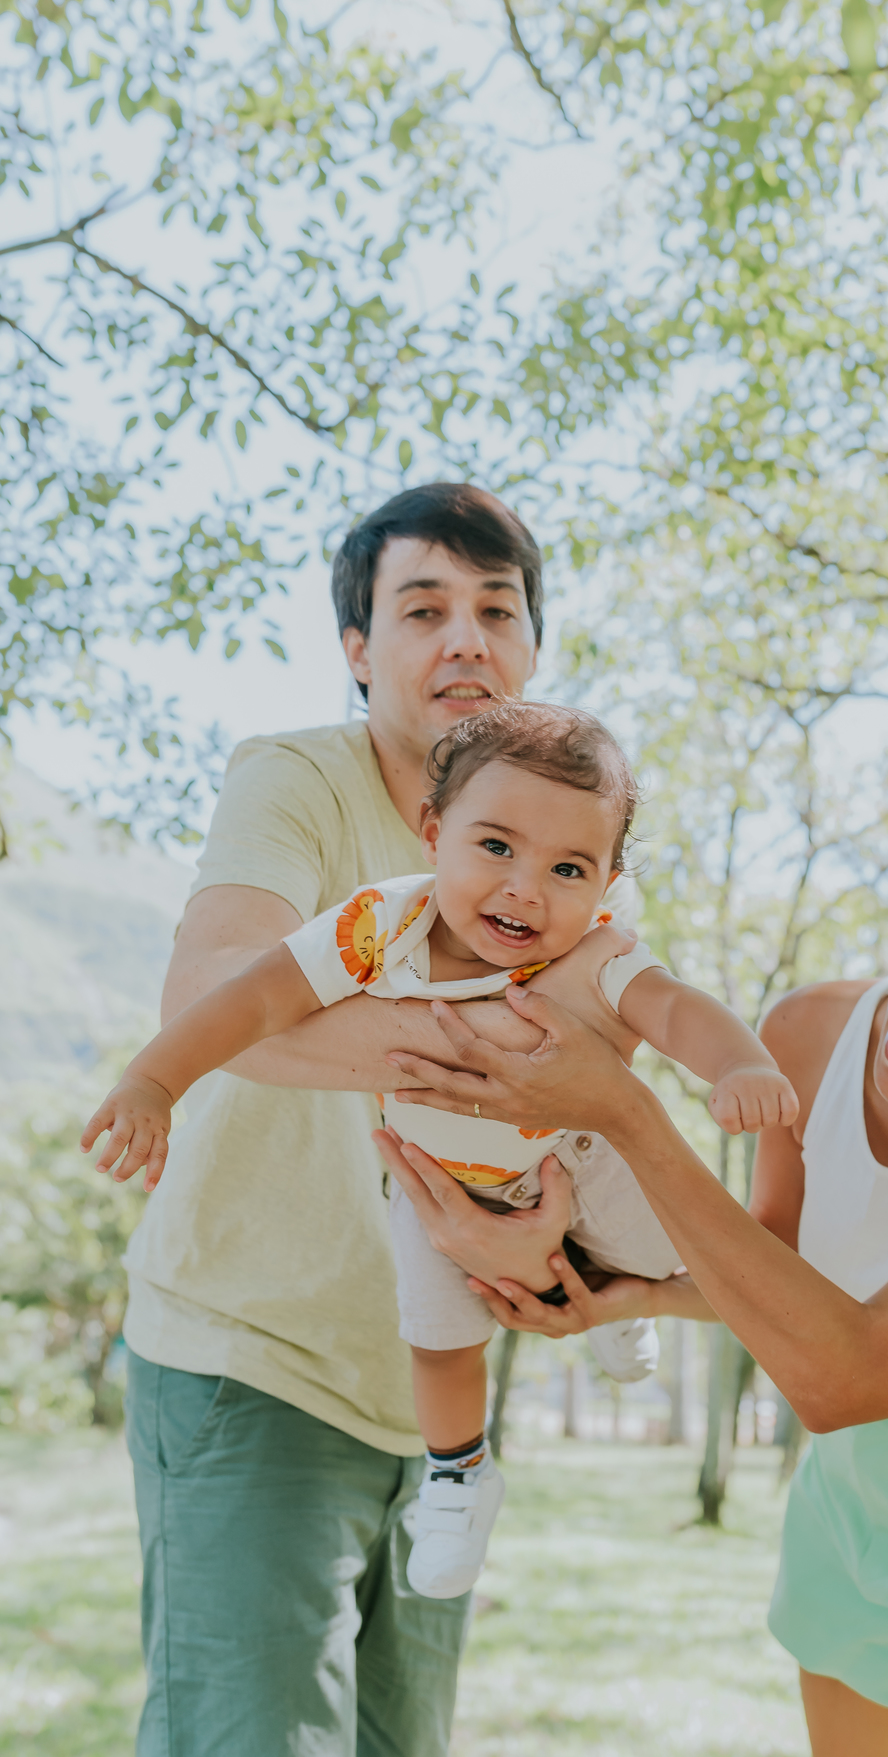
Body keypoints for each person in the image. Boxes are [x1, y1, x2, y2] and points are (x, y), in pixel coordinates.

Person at [379, 811, 888, 1757]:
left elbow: (844, 1375)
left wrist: (625, 1113)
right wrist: (633, 1293)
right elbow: (787, 1264)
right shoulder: (810, 1033)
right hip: (858, 1490)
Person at [87, 699, 798, 1600]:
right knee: (436, 1340)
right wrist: (156, 1081)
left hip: (574, 1157)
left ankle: (624, 1304)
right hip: (435, 1185)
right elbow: (255, 998)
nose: (525, 888)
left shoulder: (596, 953)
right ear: (434, 832)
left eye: (568, 866)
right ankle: (460, 1475)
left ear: (608, 882)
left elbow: (673, 1007)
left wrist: (738, 1062)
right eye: (495, 846)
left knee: (668, 1240)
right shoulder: (379, 926)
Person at [116, 482, 607, 1757]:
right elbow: (210, 989)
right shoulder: (297, 779)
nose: (465, 640)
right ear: (358, 649)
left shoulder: (554, 847)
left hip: (431, 1403)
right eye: (423, 608)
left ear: (532, 647)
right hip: (251, 1358)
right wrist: (488, 1065)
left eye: (497, 610)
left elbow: (591, 1084)